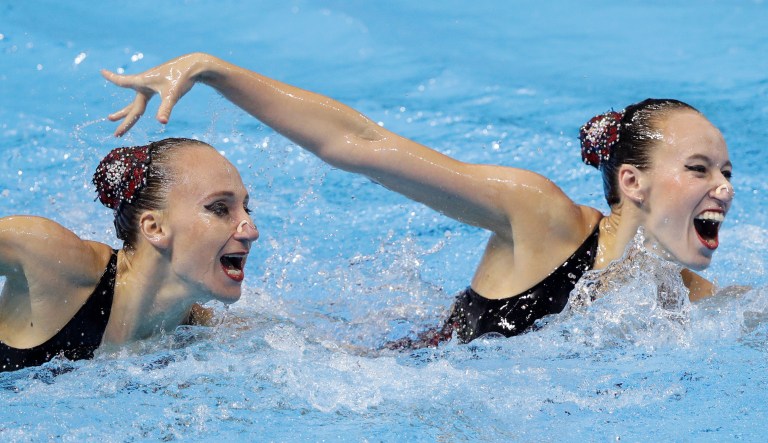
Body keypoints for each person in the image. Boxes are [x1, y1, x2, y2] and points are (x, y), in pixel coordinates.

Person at [101, 53, 734, 346]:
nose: (724, 189)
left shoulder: (672, 288)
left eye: (727, 171)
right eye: (700, 168)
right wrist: (215, 70)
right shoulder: (542, 218)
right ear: (632, 183)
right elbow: (358, 142)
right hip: (378, 386)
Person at [0, 137, 259, 371]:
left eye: (247, 209)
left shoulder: (205, 335)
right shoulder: (55, 262)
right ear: (154, 227)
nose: (251, 231)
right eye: (220, 208)